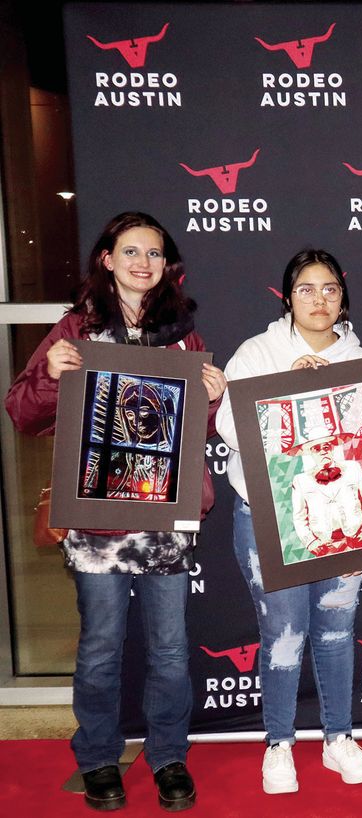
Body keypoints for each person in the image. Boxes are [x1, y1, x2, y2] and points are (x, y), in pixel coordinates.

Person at [5, 211, 226, 812]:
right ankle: (100, 758)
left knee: (171, 650)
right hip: (98, 526)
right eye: (130, 251)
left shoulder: (184, 334)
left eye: (153, 254)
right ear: (107, 258)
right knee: (101, 646)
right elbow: (22, 411)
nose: (142, 263)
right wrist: (50, 375)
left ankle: (168, 756)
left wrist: (212, 397)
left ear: (167, 265)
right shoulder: (77, 329)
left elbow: (195, 435)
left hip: (165, 523)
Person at [216, 249, 362, 795]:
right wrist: (289, 387)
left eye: (329, 288)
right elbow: (228, 428)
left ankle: (338, 738)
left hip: (343, 517)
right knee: (283, 633)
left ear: (342, 297)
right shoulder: (258, 352)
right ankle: (279, 743)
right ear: (288, 296)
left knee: (335, 630)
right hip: (269, 516)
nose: (319, 299)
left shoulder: (361, 360)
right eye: (306, 289)